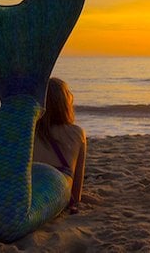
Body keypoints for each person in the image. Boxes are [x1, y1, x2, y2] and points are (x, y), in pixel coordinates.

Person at [33, 77, 87, 214]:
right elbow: (76, 194)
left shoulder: (29, 132)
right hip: (59, 199)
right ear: (65, 104)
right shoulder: (77, 133)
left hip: (31, 196)